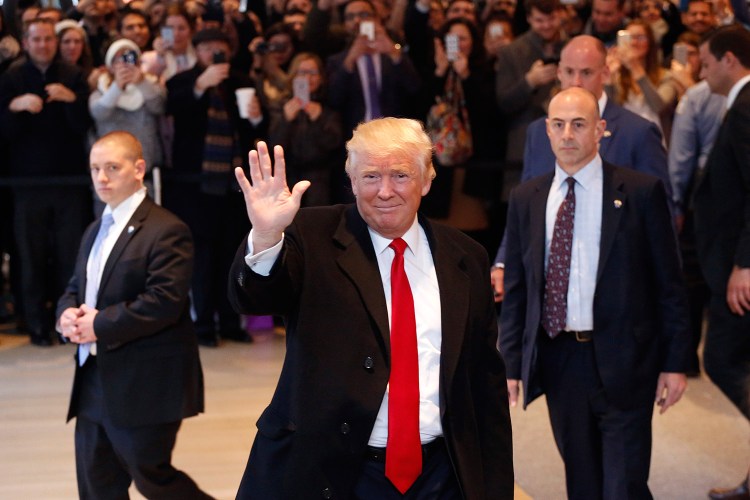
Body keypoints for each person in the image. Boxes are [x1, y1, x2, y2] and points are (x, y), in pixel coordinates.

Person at [228, 117, 514, 499]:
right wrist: (265, 236)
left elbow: (484, 383)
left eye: (400, 175)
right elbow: (256, 297)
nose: (384, 192)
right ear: (351, 180)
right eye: (370, 177)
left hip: (442, 477)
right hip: (335, 474)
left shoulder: (466, 258)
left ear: (427, 180)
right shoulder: (311, 236)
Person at [500, 87, 690, 499]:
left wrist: (676, 362)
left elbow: (670, 285)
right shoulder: (527, 198)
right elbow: (517, 290)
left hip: (626, 357)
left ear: (600, 130)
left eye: (579, 124)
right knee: (582, 482)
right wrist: (512, 363)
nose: (568, 134)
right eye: (558, 124)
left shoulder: (640, 193)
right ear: (546, 132)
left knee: (622, 483)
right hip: (559, 359)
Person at [56, 131, 210, 499]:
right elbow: (77, 286)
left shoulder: (166, 229)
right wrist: (65, 316)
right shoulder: (96, 228)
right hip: (94, 377)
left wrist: (98, 324)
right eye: (95, 169)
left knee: (153, 478)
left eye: (112, 167)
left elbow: (164, 301)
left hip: (144, 382)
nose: (101, 178)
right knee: (96, 484)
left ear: (139, 169)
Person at [491, 35, 670, 301]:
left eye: (586, 72)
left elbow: (661, 217)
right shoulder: (539, 132)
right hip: (548, 290)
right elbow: (524, 205)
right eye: (569, 72)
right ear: (558, 73)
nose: (576, 82)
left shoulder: (638, 133)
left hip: (618, 290)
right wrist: (504, 260)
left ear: (605, 73)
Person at [167, 28, 265, 346]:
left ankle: (231, 322)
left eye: (220, 49)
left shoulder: (241, 81)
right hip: (195, 185)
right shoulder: (181, 81)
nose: (214, 54)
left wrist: (255, 117)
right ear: (197, 51)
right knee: (201, 258)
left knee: (231, 254)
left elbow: (258, 130)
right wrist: (200, 85)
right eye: (207, 48)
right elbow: (175, 111)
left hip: (234, 185)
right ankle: (204, 325)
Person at [0, 18, 92, 346]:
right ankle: (35, 324)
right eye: (36, 39)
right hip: (26, 184)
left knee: (70, 257)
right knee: (31, 256)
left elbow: (85, 125)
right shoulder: (11, 78)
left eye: (48, 39)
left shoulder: (73, 76)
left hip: (69, 181)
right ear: (26, 43)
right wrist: (14, 106)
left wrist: (71, 100)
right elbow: (4, 131)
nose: (43, 45)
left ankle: (66, 324)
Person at [692, 25, 750, 500]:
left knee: (723, 360)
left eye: (706, 62)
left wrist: (745, 264)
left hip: (740, 263)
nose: (701, 70)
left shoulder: (748, 105)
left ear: (729, 60)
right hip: (731, 257)